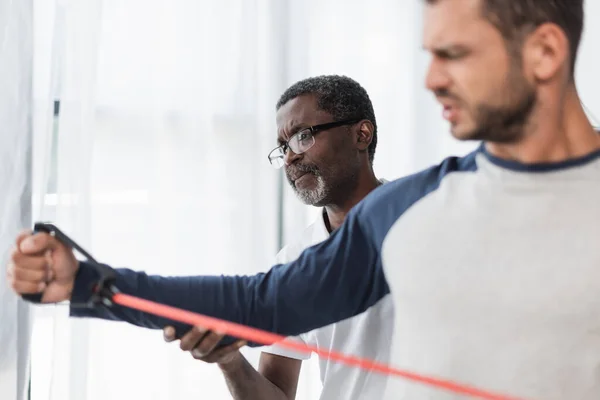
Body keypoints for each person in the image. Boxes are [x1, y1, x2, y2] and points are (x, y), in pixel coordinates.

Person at [7, 0, 600, 398]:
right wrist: (89, 283)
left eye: (455, 54)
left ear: (544, 53)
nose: (432, 80)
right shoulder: (412, 210)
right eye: (429, 56)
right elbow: (261, 301)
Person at [162, 75, 393, 400]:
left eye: (303, 137)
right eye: (283, 147)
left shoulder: (427, 219)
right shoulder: (293, 263)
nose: (289, 158)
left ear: (361, 134)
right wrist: (229, 359)